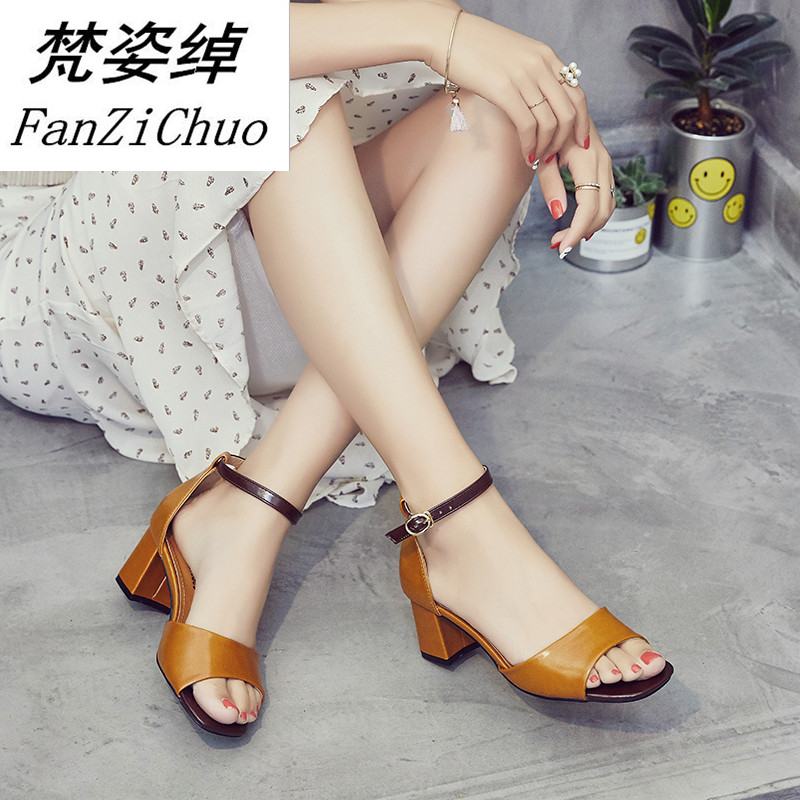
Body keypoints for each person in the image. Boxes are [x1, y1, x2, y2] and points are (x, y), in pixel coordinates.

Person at [1, 0, 671, 738]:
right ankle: (462, 522)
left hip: (270, 253)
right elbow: (76, 61)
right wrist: (441, 31)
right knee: (251, 76)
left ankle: (249, 508)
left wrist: (543, 92)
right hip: (67, 285)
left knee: (497, 111)